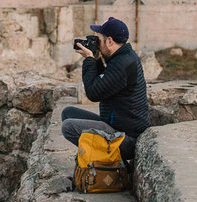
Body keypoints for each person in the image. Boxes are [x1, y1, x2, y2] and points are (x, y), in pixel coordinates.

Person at [60, 16, 150, 162]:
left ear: (109, 41)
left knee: (68, 127)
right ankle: (93, 160)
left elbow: (94, 93)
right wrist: (96, 59)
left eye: (98, 40)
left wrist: (89, 60)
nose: (96, 44)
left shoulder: (124, 63)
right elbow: (105, 81)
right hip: (115, 125)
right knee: (68, 113)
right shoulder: (122, 58)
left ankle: (100, 165)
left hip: (125, 138)